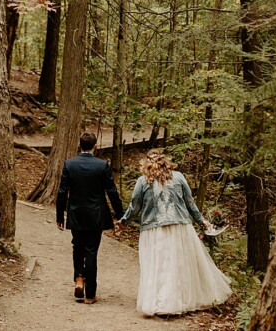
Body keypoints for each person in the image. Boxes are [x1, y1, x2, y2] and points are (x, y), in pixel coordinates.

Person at [117, 149, 232, 316]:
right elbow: (190, 203)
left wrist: (124, 222)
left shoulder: (143, 181)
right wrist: (202, 221)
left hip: (154, 229)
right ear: (166, 162)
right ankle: (179, 301)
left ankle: (162, 303)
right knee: (178, 265)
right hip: (180, 228)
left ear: (146, 164)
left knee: (158, 266)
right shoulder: (178, 177)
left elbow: (135, 205)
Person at [55, 131, 124, 304]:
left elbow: (62, 192)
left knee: (77, 246)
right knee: (91, 251)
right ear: (95, 146)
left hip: (76, 213)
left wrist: (60, 216)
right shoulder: (102, 165)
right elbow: (112, 191)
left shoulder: (70, 164)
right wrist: (120, 215)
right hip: (96, 215)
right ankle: (90, 294)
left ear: (80, 145)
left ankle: (79, 277)